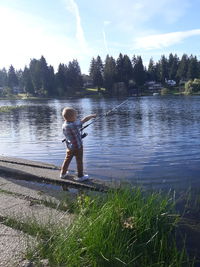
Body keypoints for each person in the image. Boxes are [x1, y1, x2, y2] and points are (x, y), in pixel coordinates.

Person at [60, 107, 96, 182]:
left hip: (69, 147)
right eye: (75, 116)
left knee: (67, 160)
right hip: (78, 147)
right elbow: (84, 120)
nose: (76, 118)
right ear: (72, 117)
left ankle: (62, 174)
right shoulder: (74, 125)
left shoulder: (64, 125)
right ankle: (80, 176)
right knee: (79, 161)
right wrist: (92, 116)